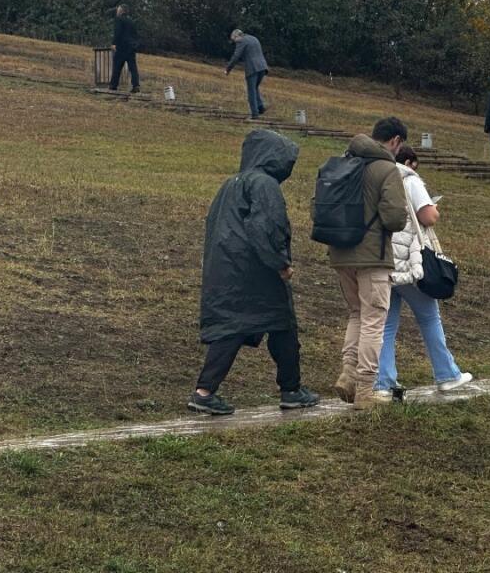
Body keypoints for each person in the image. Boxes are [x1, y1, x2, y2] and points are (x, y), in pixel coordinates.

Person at [188, 129, 319, 415]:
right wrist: (281, 262)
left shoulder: (231, 183)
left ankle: (208, 390)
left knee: (242, 328)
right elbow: (267, 227)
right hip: (255, 270)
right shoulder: (264, 184)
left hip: (228, 268)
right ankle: (290, 390)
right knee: (280, 323)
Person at [375, 145, 472, 396]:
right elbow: (428, 216)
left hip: (381, 259)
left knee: (386, 325)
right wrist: (435, 209)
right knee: (429, 318)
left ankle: (383, 382)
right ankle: (447, 374)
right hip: (409, 260)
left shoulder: (376, 177)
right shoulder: (409, 179)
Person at [327, 117, 410, 408]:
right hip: (372, 256)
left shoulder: (342, 162)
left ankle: (348, 376)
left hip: (340, 253)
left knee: (356, 314)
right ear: (396, 141)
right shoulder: (386, 169)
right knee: (375, 320)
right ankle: (365, 390)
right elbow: (395, 218)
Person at [226, 29, 269, 119]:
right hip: (262, 67)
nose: (235, 43)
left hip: (252, 68)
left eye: (234, 40)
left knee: (251, 91)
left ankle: (255, 114)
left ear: (237, 36)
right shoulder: (253, 38)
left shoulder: (241, 41)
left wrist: (228, 69)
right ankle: (260, 107)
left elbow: (236, 56)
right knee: (255, 87)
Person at [108, 4, 141, 93]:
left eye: (118, 9)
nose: (117, 11)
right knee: (133, 68)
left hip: (122, 47)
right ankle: (136, 85)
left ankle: (113, 85)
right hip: (131, 47)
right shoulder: (131, 21)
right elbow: (135, 35)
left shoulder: (118, 19)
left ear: (122, 11)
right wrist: (135, 45)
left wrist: (114, 43)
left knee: (117, 67)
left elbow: (117, 32)